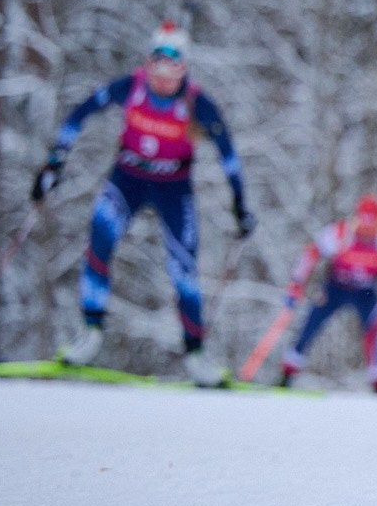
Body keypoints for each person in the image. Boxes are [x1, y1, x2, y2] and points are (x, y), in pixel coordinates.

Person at [30, 21, 252, 386]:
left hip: (173, 187)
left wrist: (240, 204)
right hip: (128, 179)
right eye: (157, 69)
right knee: (100, 236)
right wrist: (54, 163)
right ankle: (90, 331)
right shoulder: (130, 87)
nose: (163, 80)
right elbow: (79, 114)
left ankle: (196, 354)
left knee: (184, 268)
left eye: (173, 71)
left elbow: (228, 154)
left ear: (184, 69)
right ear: (147, 65)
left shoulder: (197, 103)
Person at [276, 193, 377, 391]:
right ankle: (287, 375)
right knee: (311, 324)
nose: (366, 228)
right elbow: (311, 252)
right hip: (337, 286)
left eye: (372, 223)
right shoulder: (340, 232)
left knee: (374, 331)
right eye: (363, 221)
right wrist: (296, 284)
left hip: (366, 291)